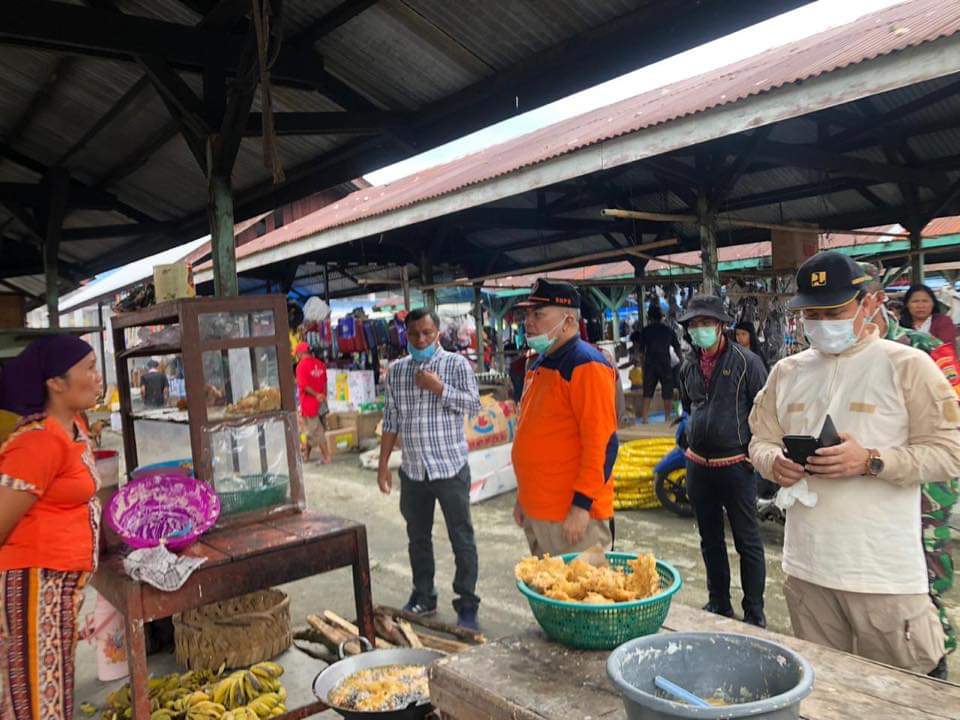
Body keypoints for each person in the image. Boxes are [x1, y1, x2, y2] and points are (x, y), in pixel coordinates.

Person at [749, 251, 960, 675]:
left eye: (834, 310)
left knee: (901, 696)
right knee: (827, 692)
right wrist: (774, 463)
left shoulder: (909, 366)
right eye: (813, 312)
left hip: (883, 576)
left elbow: (950, 451)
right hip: (807, 571)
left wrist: (872, 460)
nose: (822, 322)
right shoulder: (787, 371)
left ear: (869, 303)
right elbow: (760, 440)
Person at [859, 263, 959, 673]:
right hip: (866, 488)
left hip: (922, 488)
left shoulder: (927, 349)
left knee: (924, 575)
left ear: (876, 300)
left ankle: (934, 660)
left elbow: (951, 426)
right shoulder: (835, 358)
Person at [0, 335, 103, 720]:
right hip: (35, 587)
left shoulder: (74, 426)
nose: (97, 377)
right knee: (37, 706)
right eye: (89, 368)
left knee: (49, 694)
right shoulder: (37, 443)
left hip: (60, 588)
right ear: (56, 383)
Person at [378, 308, 482, 630]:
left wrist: (439, 388)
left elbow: (474, 406)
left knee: (461, 537)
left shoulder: (456, 364)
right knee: (417, 537)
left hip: (449, 468)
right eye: (414, 334)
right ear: (405, 336)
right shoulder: (397, 372)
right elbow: (392, 420)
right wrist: (383, 465)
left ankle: (466, 604)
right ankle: (423, 595)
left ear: (437, 333)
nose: (420, 339)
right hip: (413, 471)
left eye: (427, 333)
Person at [677, 294, 769, 627]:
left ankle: (754, 611)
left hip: (736, 465)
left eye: (705, 323)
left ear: (721, 326)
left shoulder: (748, 363)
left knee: (747, 540)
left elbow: (765, 413)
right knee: (709, 538)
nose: (699, 330)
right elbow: (689, 406)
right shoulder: (687, 365)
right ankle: (719, 602)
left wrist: (754, 457)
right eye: (693, 325)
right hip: (698, 465)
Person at [512, 279, 619, 557]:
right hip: (539, 509)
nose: (529, 323)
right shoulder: (540, 363)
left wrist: (582, 506)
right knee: (548, 595)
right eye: (527, 315)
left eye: (538, 314)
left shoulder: (585, 364)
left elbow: (602, 442)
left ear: (569, 320)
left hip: (571, 515)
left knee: (583, 596)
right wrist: (523, 497)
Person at [632, 306, 681, 424]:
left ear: (649, 317)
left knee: (647, 392)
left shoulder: (646, 330)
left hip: (650, 364)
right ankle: (667, 418)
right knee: (667, 392)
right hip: (665, 363)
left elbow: (641, 352)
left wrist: (643, 366)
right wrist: (681, 361)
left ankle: (644, 419)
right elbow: (677, 348)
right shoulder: (668, 330)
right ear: (661, 317)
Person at [295, 342, 331, 464]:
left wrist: (316, 395)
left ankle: (327, 457)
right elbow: (325, 381)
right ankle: (306, 456)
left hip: (309, 404)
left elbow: (304, 386)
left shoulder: (300, 366)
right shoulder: (320, 364)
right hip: (321, 402)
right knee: (309, 430)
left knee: (316, 431)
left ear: (300, 353)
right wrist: (323, 395)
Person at [901, 283, 957, 348]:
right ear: (907, 304)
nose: (920, 306)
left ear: (933, 303)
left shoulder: (943, 322)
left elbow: (947, 349)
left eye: (925, 301)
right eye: (915, 301)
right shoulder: (899, 325)